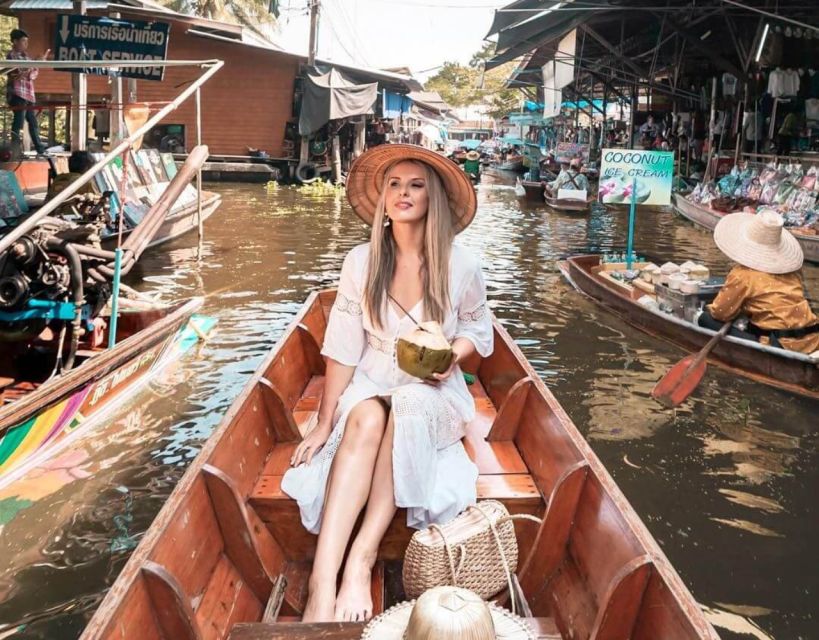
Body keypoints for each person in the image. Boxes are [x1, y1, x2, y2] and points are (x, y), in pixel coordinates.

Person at [281, 144, 493, 622]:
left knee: (407, 407)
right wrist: (322, 420)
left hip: (436, 392)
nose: (403, 193)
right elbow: (341, 348)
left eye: (416, 184)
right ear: (382, 198)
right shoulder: (361, 260)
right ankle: (321, 583)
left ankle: (361, 561)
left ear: (432, 197)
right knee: (363, 419)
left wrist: (449, 357)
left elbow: (479, 335)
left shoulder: (462, 266)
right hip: (372, 376)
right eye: (394, 184)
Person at [698, 210, 819, 354]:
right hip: (812, 339)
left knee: (704, 319)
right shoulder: (793, 271)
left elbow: (720, 313)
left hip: (778, 344)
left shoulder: (743, 275)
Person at [5, 28, 49, 155]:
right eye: (23, 41)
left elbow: (32, 74)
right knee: (18, 121)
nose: (26, 44)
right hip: (17, 93)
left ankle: (40, 148)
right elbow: (18, 74)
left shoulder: (26, 56)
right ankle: (15, 149)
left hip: (28, 94)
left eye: (26, 41)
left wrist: (36, 65)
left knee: (33, 122)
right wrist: (35, 64)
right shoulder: (11, 56)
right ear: (15, 41)